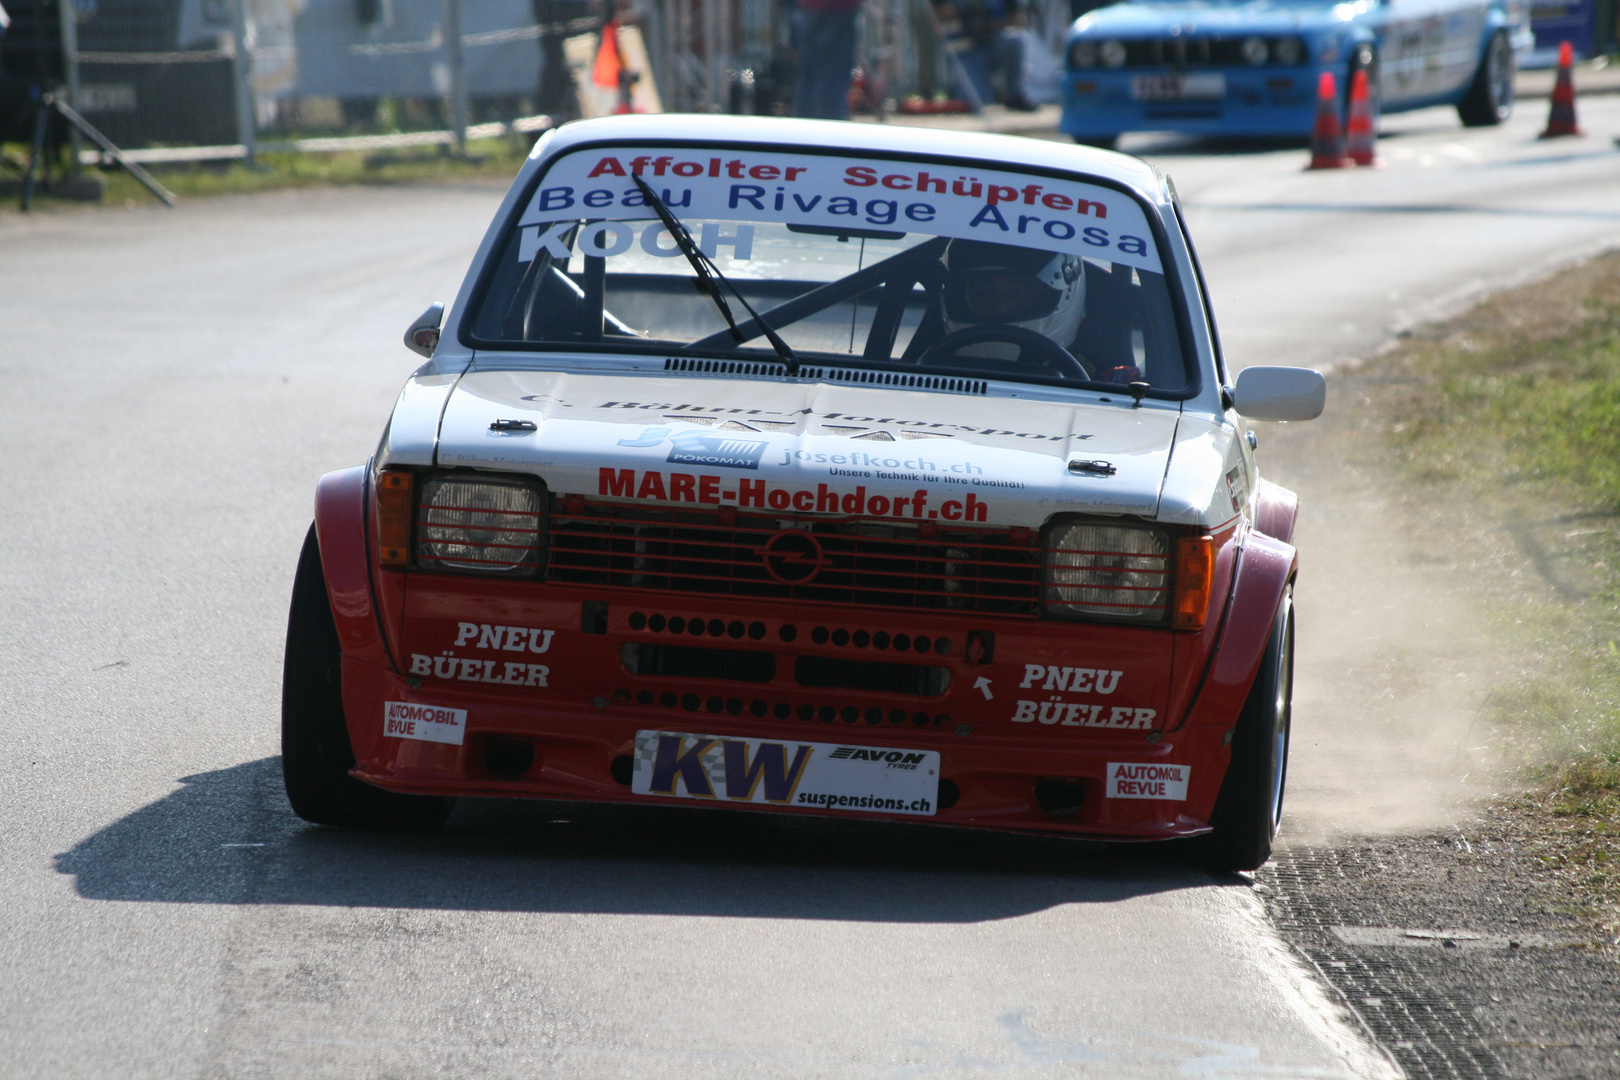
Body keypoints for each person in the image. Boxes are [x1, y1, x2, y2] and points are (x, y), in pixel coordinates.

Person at [792, 0, 863, 120]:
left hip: (811, 6)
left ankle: (803, 127)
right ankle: (831, 126)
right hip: (841, 7)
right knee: (834, 74)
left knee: (809, 73)